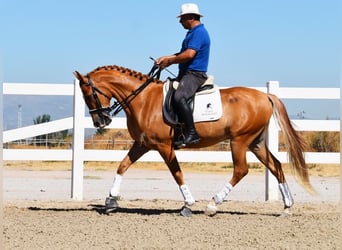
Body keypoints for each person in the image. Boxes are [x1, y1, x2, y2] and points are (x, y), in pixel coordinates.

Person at [156, 3, 210, 148]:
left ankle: (192, 133)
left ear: (191, 17)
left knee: (179, 97)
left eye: (182, 18)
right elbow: (181, 53)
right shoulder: (192, 33)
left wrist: (170, 61)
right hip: (185, 73)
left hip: (194, 74)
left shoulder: (199, 33)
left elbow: (189, 54)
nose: (180, 22)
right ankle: (178, 131)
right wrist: (166, 58)